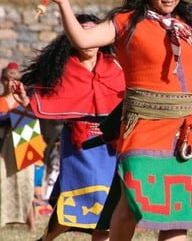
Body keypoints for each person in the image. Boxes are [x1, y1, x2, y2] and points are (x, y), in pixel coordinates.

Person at [39, 0, 192, 240]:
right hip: (142, 125)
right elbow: (82, 38)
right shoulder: (126, 22)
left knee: (177, 210)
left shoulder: (187, 23)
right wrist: (64, 3)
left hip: (180, 129)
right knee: (132, 197)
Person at [11, 14, 125, 240]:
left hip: (109, 145)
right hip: (78, 145)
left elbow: (128, 95)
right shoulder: (63, 69)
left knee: (105, 208)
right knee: (76, 202)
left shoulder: (115, 67)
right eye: (83, 32)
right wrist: (27, 101)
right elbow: (45, 98)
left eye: (94, 32)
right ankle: (47, 237)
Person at [0, 63, 36, 231]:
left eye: (13, 80)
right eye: (6, 80)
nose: (9, 83)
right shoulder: (1, 101)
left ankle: (32, 224)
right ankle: (3, 220)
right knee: (2, 181)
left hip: (25, 142)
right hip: (3, 147)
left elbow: (33, 118)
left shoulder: (25, 99)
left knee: (27, 183)